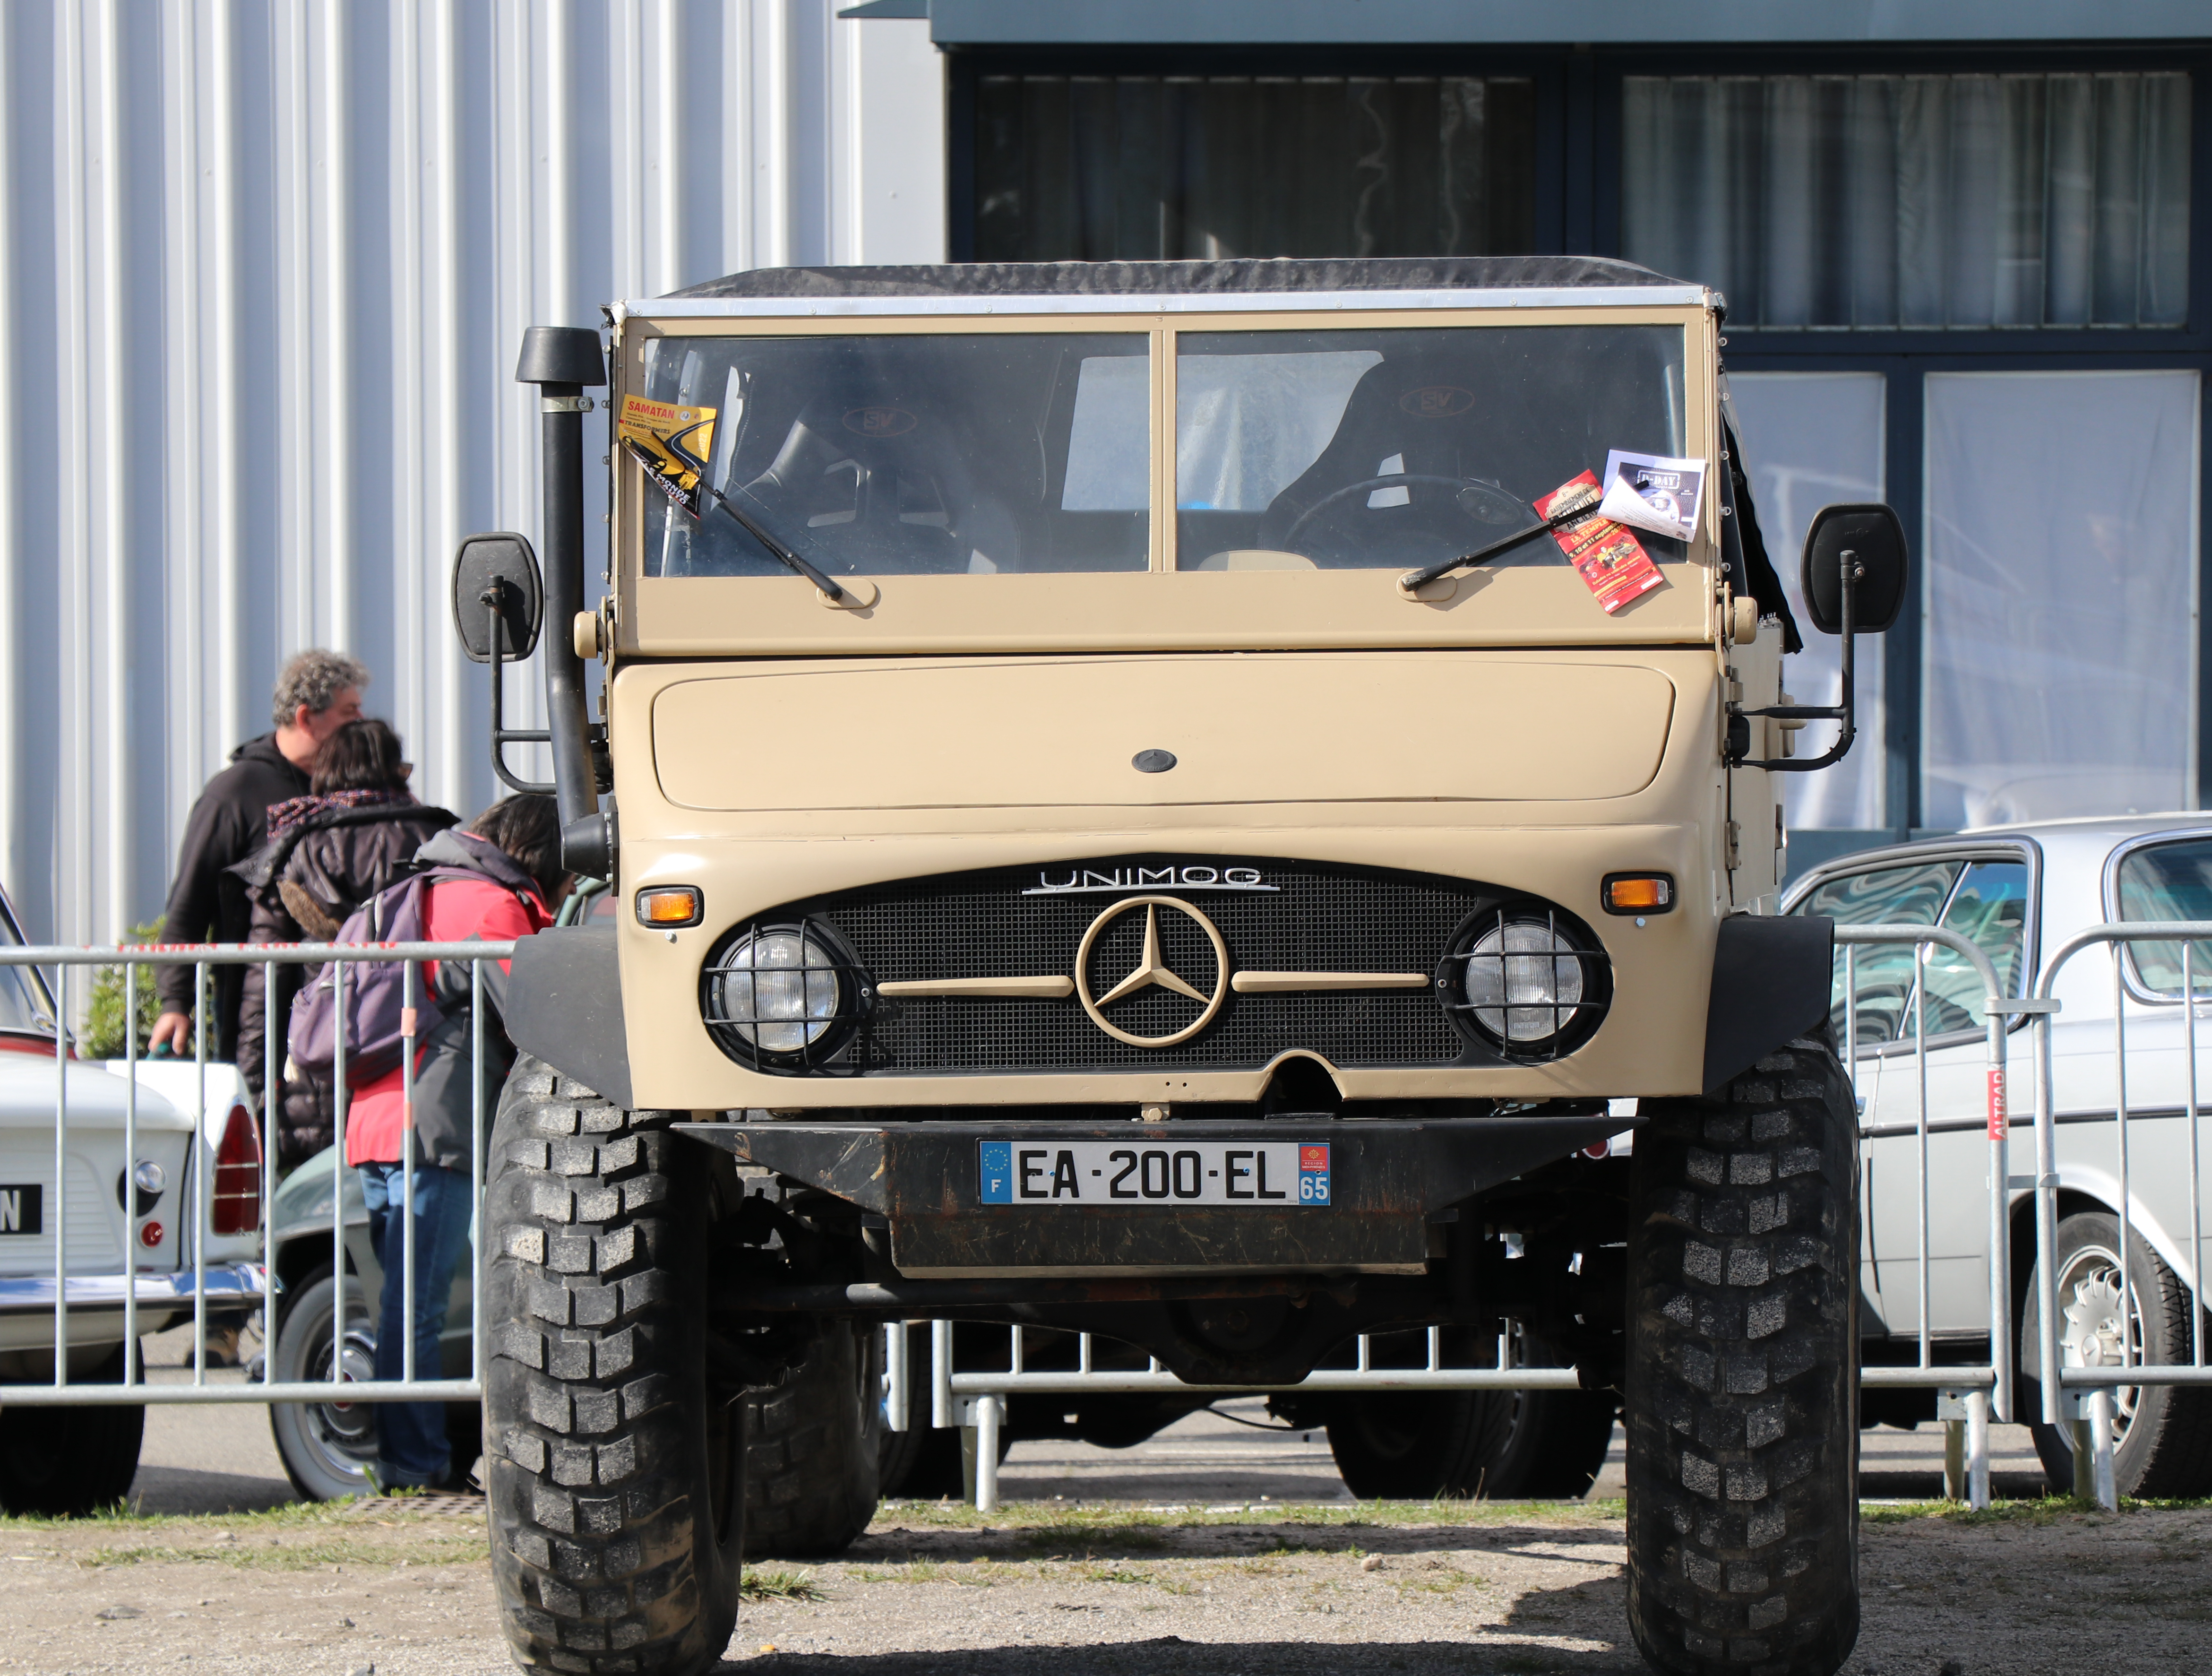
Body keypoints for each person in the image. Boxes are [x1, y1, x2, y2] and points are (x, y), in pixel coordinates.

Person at [344, 795, 565, 1491]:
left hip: (375, 1121)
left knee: (401, 1306)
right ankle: (415, 1464)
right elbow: (539, 1021)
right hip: (432, 1128)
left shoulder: (420, 888)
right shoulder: (487, 905)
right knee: (419, 1309)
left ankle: (410, 1457)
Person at [230, 718, 457, 1169]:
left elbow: (266, 974)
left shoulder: (296, 845)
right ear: (394, 769)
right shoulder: (439, 841)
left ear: (327, 771)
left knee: (321, 1211)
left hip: (325, 1048)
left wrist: (255, 1079)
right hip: (423, 1045)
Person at [150, 651, 368, 1060]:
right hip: (258, 1010)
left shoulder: (345, 790)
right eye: (349, 711)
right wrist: (175, 1003)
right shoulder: (235, 791)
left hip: (343, 1003)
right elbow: (190, 902)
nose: (360, 722)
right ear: (307, 718)